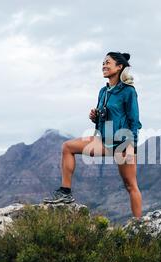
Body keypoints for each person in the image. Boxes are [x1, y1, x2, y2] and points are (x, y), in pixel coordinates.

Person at [43, 52, 143, 219]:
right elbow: (104, 117)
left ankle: (140, 224)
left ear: (119, 67)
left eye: (108, 63)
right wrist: (95, 117)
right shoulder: (103, 91)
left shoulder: (128, 91)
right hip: (103, 140)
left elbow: (134, 121)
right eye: (103, 63)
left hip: (123, 143)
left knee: (130, 185)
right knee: (68, 147)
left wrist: (132, 146)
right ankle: (65, 192)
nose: (104, 65)